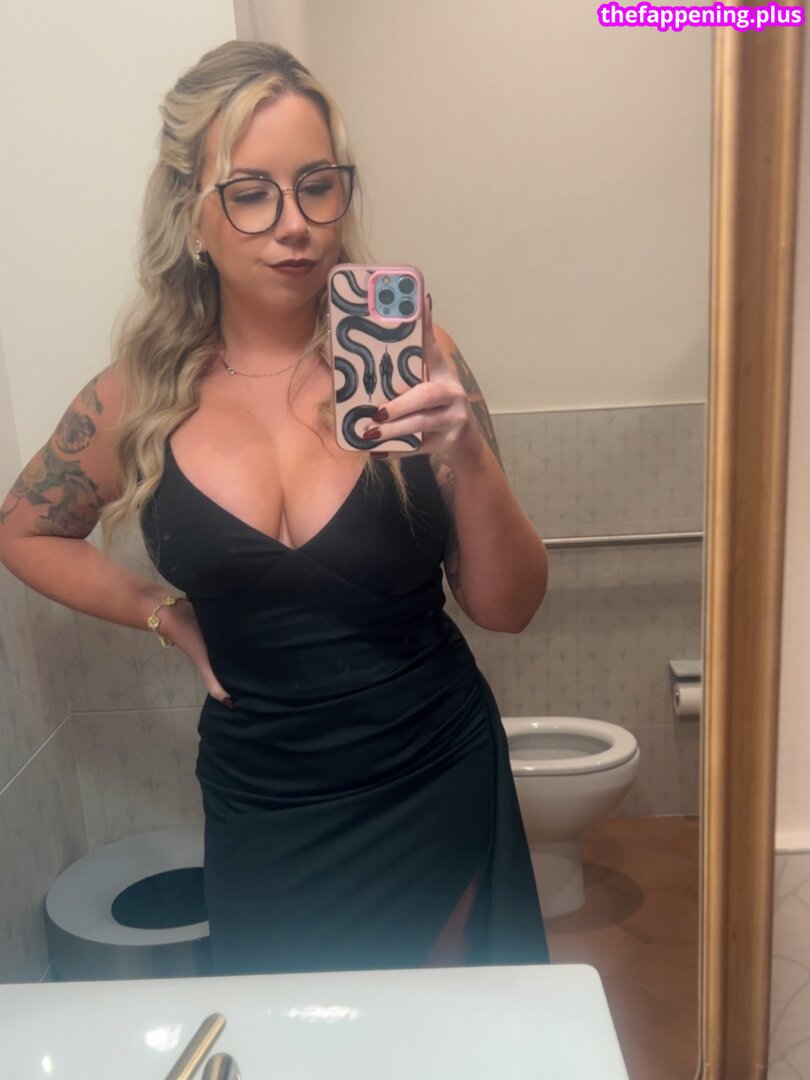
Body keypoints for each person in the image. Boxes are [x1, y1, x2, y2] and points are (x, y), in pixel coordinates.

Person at [0, 40, 550, 974]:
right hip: (264, 800)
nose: (295, 225)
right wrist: (161, 613)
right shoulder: (138, 396)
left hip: (432, 772)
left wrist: (466, 452)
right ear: (191, 215)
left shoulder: (421, 359)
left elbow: (509, 606)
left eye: (318, 186)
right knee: (290, 1034)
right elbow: (24, 529)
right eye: (251, 193)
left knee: (439, 1035)